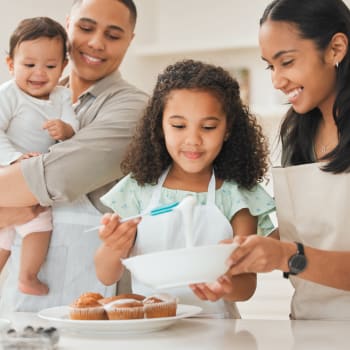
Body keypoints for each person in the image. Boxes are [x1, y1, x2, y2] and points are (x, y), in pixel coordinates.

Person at [94, 59, 276, 318]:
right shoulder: (137, 189)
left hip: (217, 337)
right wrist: (113, 246)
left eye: (208, 127)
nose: (193, 140)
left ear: (228, 130)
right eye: (179, 126)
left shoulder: (237, 196)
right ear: (159, 126)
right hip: (151, 333)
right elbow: (105, 273)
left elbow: (246, 286)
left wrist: (225, 285)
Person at [0, 0, 148, 313]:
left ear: (130, 40)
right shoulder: (33, 96)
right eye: (85, 28)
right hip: (24, 297)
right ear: (68, 24)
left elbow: (54, 177)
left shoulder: (132, 109)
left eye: (113, 34)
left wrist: (11, 209)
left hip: (98, 297)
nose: (96, 42)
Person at [227, 0, 350, 320]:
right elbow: (316, 228)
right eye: (271, 66)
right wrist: (246, 252)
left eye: (287, 62)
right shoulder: (298, 130)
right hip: (308, 325)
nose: (277, 80)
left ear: (336, 48)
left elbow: (296, 251)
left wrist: (286, 256)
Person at [0, 16, 79, 297]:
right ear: (11, 65)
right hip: (7, 172)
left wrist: (66, 130)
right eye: (29, 65)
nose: (39, 73)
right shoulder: (9, 95)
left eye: (50, 66)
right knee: (2, 236)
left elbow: (75, 130)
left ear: (63, 67)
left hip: (35, 183)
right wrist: (13, 159)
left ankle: (27, 275)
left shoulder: (62, 97)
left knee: (40, 226)